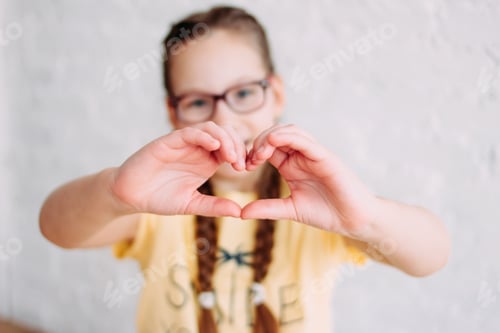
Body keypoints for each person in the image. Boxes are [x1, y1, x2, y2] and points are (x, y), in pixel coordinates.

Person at [39, 6, 451, 333]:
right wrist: (113, 192)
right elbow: (56, 227)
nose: (225, 119)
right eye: (198, 102)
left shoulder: (319, 208)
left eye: (243, 93)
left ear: (276, 93)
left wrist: (366, 217)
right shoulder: (154, 205)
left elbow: (431, 256)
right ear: (173, 112)